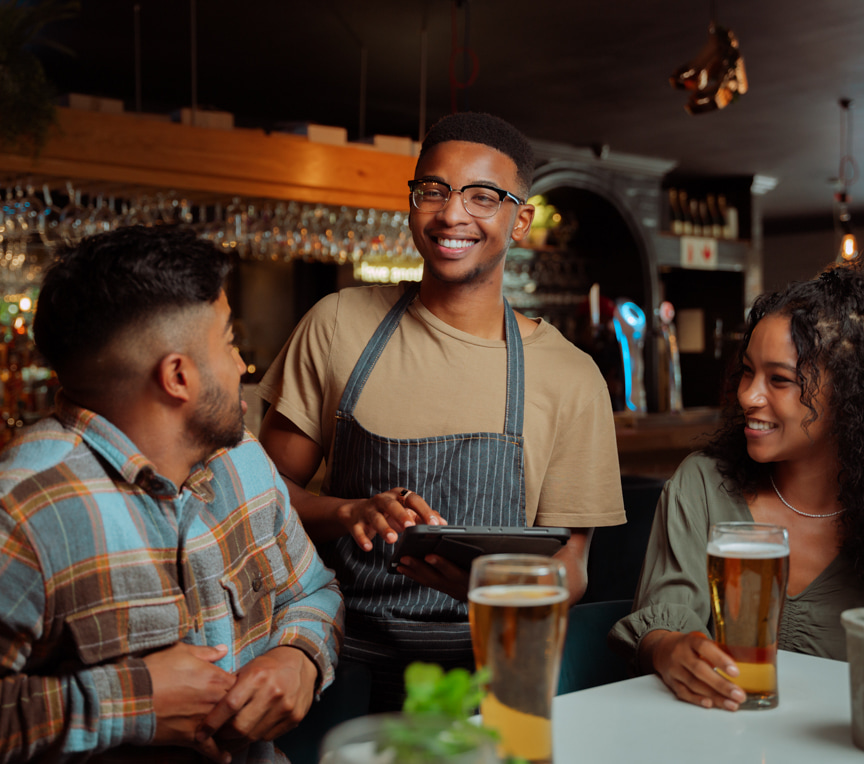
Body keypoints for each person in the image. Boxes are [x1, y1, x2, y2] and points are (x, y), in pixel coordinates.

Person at [258, 111, 625, 710]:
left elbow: (573, 569)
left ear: (521, 220)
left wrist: (498, 584)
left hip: (492, 678)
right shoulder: (338, 325)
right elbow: (260, 501)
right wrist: (349, 510)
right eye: (433, 190)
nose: (452, 214)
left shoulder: (571, 376)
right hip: (341, 666)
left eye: (483, 197)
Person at [0, 226, 344, 763]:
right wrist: (128, 702)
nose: (240, 365)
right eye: (229, 342)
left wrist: (300, 655)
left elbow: (314, 591)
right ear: (178, 376)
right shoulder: (24, 509)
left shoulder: (243, 458)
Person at [610, 259, 864, 711]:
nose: (748, 395)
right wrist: (668, 649)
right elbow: (663, 623)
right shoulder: (704, 484)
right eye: (748, 371)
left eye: (780, 379)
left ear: (849, 393)